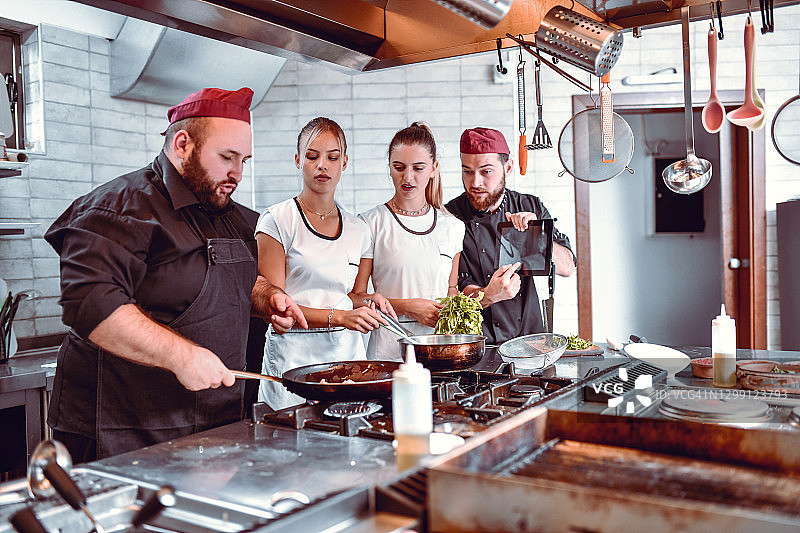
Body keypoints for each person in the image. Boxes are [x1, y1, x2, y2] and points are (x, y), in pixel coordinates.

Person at [44, 87, 305, 462]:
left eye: (244, 160)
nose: (237, 173)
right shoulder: (119, 207)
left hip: (211, 425)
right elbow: (91, 306)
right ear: (182, 144)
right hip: (121, 430)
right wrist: (182, 356)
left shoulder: (233, 216)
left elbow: (236, 281)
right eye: (227, 157)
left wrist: (266, 298)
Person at [255, 117, 393, 410]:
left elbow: (353, 295)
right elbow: (276, 303)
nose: (322, 165)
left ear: (345, 162)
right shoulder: (277, 220)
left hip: (346, 361)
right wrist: (341, 317)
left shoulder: (359, 229)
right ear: (297, 160)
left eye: (332, 157)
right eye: (312, 156)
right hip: (292, 358)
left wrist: (370, 300)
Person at [444, 127, 576, 345]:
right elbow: (455, 290)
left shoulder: (530, 205)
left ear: (508, 167)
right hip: (476, 346)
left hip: (531, 341)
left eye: (486, 171)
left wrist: (537, 235)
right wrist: (489, 294)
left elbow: (568, 267)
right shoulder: (451, 216)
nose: (475, 182)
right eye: (467, 171)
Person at [356, 122, 464, 360]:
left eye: (418, 168)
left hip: (439, 351)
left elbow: (451, 291)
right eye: (399, 167)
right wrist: (409, 307)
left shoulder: (453, 227)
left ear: (434, 168)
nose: (408, 177)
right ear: (390, 168)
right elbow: (355, 298)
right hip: (388, 354)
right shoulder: (370, 223)